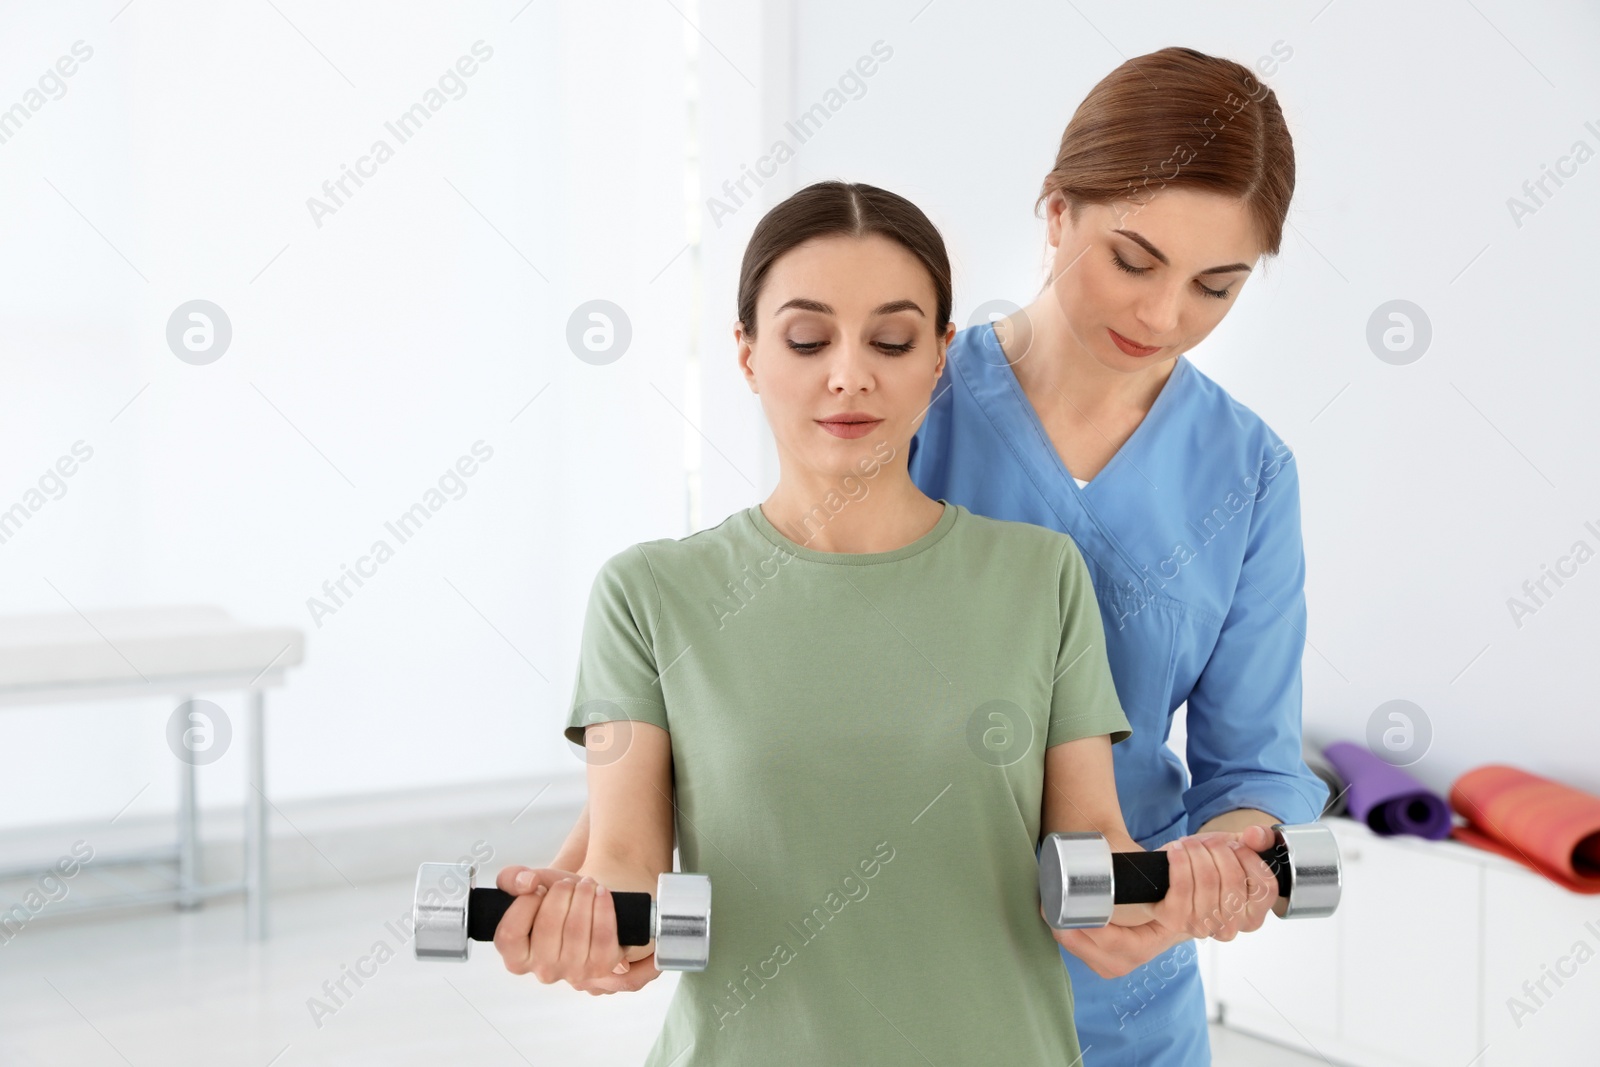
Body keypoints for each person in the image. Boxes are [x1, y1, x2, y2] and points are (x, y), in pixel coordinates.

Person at [508, 45, 1329, 1066]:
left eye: (1217, 284)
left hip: (1122, 987)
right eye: (1133, 259)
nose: (1164, 317)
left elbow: (1252, 761)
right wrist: (599, 875)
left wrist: (1215, 867)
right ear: (1056, 214)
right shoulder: (895, 390)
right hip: (874, 985)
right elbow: (765, 675)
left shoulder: (1246, 472)